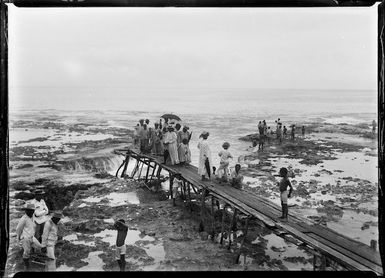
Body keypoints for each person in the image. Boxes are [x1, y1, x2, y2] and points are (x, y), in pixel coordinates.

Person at [16, 203, 41, 270]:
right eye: (29, 210)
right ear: (26, 211)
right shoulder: (23, 219)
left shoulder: (32, 217)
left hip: (32, 237)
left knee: (39, 246)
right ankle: (26, 265)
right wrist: (18, 239)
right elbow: (18, 229)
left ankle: (35, 258)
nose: (31, 212)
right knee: (26, 252)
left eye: (32, 210)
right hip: (25, 238)